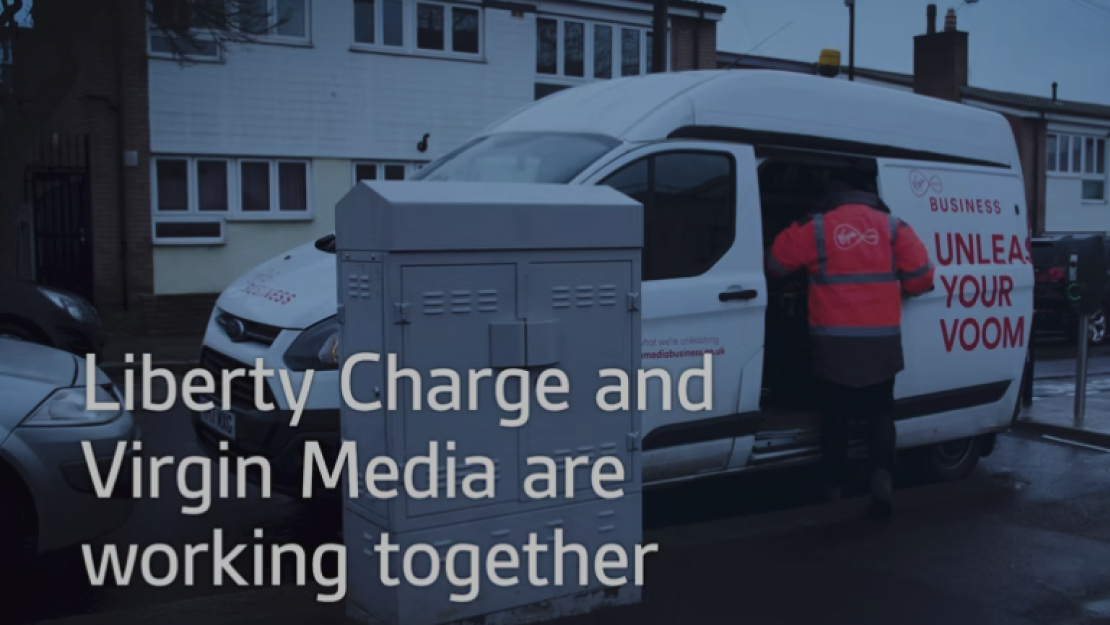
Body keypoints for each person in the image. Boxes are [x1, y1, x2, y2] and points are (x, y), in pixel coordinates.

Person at [764, 177, 935, 519]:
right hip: (881, 343)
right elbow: (922, 279)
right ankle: (882, 478)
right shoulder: (893, 226)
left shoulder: (815, 227)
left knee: (835, 416)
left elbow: (775, 266)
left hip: (834, 343)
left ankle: (833, 487)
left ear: (831, 198)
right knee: (881, 414)